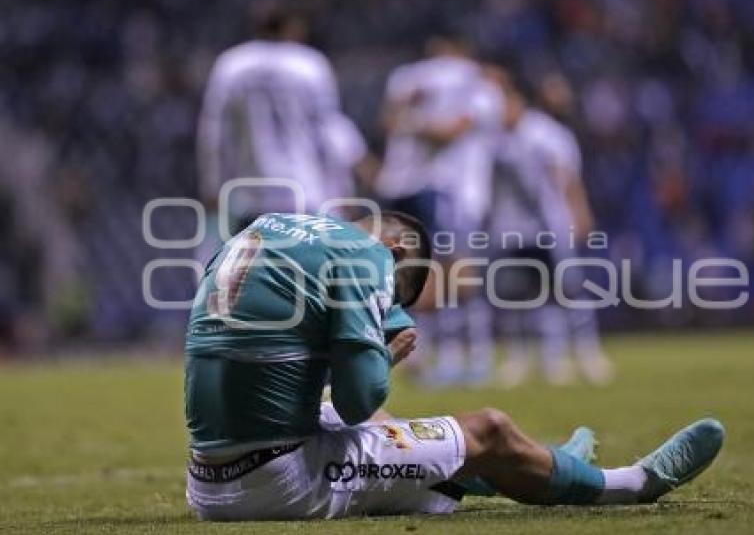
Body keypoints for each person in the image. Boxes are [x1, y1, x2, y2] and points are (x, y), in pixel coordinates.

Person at [184, 209, 725, 520]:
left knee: (385, 434)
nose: (387, 308)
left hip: (208, 477)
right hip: (275, 482)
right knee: (488, 429)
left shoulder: (268, 227)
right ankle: (630, 483)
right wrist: (384, 353)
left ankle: (535, 464)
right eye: (395, 297)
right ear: (398, 250)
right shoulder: (368, 256)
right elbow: (357, 399)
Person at [375, 31, 503, 386]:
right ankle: (443, 354)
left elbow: (448, 131)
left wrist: (411, 119)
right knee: (436, 271)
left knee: (455, 271)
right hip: (441, 187)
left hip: (459, 189)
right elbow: (401, 123)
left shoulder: (474, 88)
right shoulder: (454, 83)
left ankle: (471, 353)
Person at [485, 64, 612, 387]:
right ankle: (522, 358)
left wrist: (579, 213)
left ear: (518, 101)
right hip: (510, 229)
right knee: (515, 296)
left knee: (567, 290)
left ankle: (586, 354)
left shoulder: (544, 133)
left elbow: (567, 177)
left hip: (550, 224)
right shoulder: (494, 137)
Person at [196, 0, 362, 236]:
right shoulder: (309, 64)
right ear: (292, 26)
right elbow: (329, 131)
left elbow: (214, 134)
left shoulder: (231, 65)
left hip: (251, 198)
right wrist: (344, 190)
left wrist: (213, 186)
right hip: (306, 194)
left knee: (256, 271)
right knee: (311, 270)